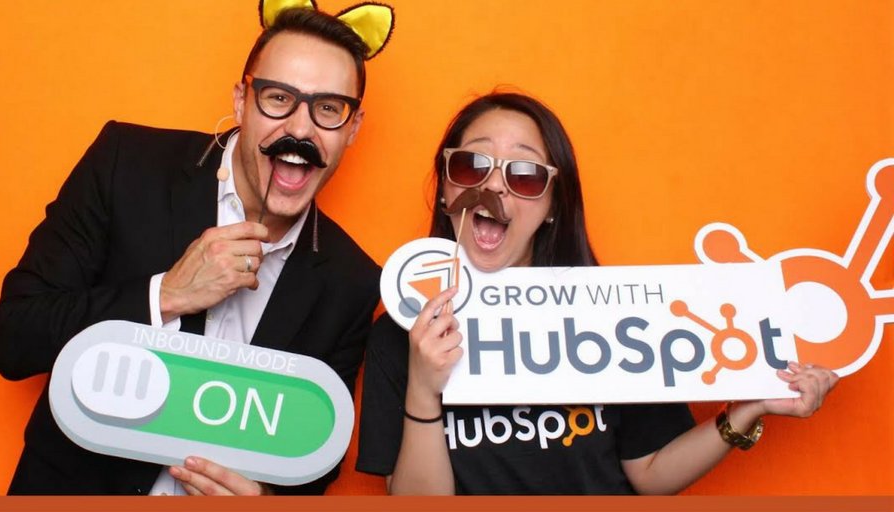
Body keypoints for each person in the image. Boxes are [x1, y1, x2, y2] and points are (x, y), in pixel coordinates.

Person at [0, 2, 393, 495]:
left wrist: (264, 499)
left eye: (328, 108)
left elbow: (314, 457)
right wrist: (167, 294)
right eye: (279, 98)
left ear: (353, 127)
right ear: (241, 101)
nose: (301, 130)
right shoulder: (126, 165)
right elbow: (12, 338)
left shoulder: (352, 281)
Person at [355, 92, 839, 495]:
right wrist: (424, 388)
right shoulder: (400, 332)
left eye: (524, 174)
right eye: (472, 165)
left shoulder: (608, 312)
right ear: (446, 187)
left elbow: (650, 472)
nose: (495, 185)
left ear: (551, 205)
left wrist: (747, 411)